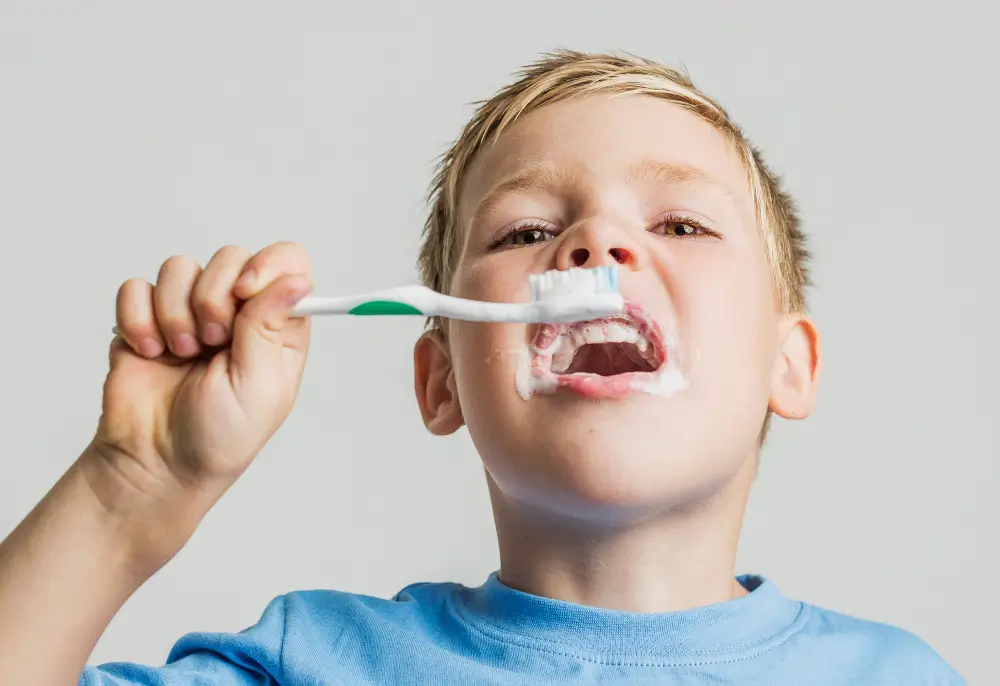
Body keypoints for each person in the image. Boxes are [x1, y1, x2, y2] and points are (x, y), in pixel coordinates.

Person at [0, 50, 965, 685]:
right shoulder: (316, 666)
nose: (596, 244)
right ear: (441, 378)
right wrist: (129, 490)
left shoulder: (899, 677)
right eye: (531, 230)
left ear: (787, 367)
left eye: (680, 223)